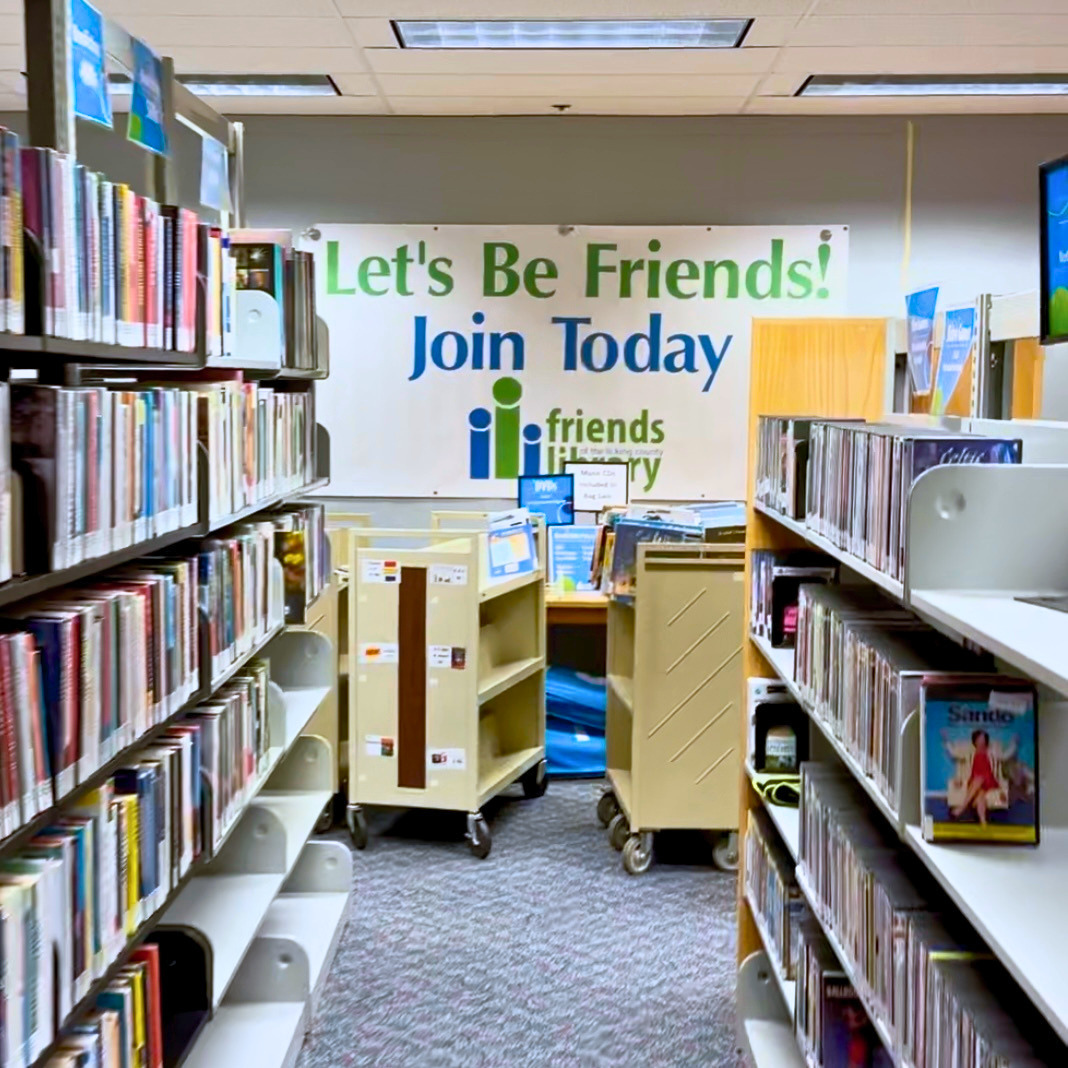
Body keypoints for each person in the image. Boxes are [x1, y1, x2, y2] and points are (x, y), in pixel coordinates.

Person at [948, 729, 1013, 825]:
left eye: (983, 739)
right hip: (975, 782)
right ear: (975, 741)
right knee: (980, 796)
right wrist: (946, 741)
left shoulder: (992, 752)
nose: (981, 741)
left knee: (979, 779)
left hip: (989, 780)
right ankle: (983, 822)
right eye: (979, 739)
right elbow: (954, 754)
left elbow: (1005, 756)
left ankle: (961, 808)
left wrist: (1014, 744)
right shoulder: (970, 753)